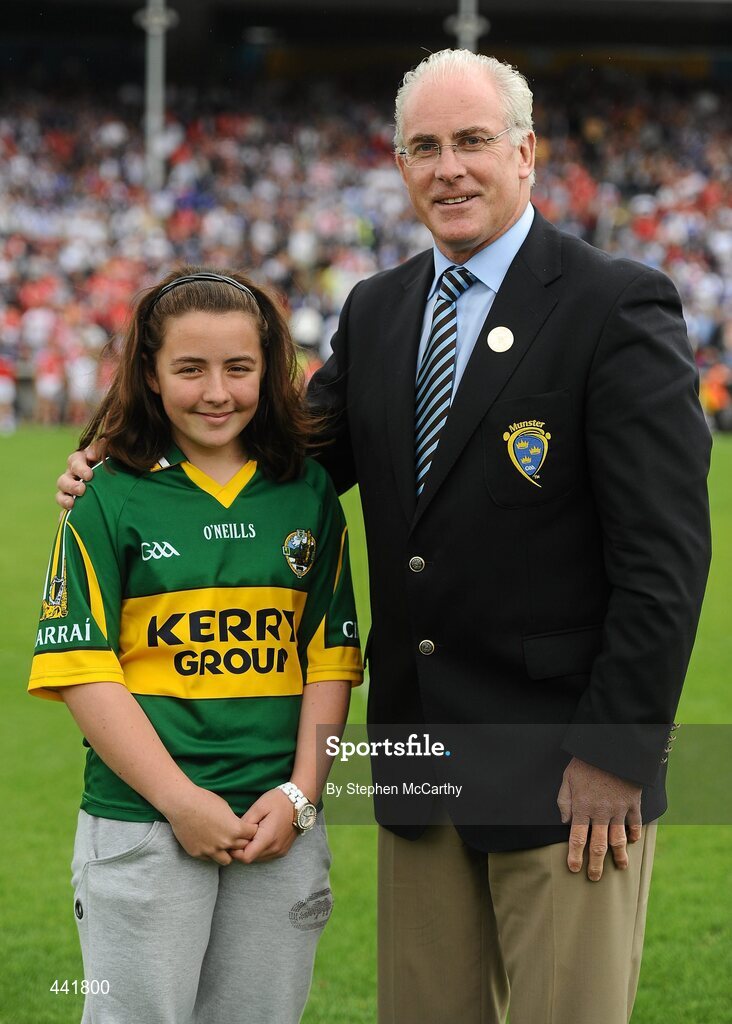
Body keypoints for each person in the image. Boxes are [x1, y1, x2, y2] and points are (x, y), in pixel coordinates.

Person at [56, 51, 711, 1024]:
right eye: (424, 147)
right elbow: (289, 457)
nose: (448, 168)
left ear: (526, 152)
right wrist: (125, 462)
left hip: (567, 769)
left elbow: (666, 553)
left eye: (473, 142)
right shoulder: (378, 308)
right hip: (416, 760)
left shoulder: (614, 303)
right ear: (400, 166)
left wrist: (621, 746)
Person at [33, 268, 363, 1024]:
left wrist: (302, 794)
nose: (217, 391)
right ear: (149, 375)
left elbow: (331, 660)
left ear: (270, 371)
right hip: (143, 821)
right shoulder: (105, 497)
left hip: (277, 824)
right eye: (189, 368)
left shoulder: (307, 490)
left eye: (239, 368)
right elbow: (83, 673)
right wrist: (180, 801)